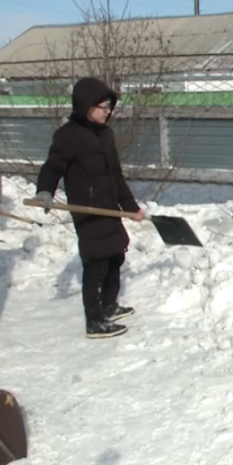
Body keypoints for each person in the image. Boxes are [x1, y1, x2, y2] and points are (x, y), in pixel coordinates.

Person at [31, 77, 145, 340]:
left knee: (116, 254)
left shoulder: (106, 135)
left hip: (110, 208)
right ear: (86, 105)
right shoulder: (68, 135)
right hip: (88, 210)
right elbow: (53, 166)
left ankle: (108, 305)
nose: (108, 112)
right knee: (96, 263)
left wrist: (130, 207)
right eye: (102, 107)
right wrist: (45, 190)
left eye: (109, 107)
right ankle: (94, 321)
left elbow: (116, 176)